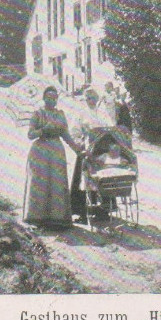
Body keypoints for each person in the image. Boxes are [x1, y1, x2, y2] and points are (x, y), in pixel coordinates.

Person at [23, 86, 80, 228]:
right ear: (43, 98)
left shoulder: (60, 115)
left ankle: (57, 218)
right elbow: (30, 134)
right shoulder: (38, 114)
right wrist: (43, 130)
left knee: (57, 182)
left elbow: (65, 134)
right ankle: (37, 218)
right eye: (49, 97)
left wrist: (77, 149)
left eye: (54, 98)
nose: (52, 100)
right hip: (40, 152)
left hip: (56, 152)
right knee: (40, 183)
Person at [69, 88, 113, 223]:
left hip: (101, 151)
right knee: (84, 179)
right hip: (87, 150)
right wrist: (80, 142)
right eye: (88, 98)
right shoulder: (81, 113)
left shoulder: (103, 113)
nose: (90, 100)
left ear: (97, 99)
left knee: (103, 178)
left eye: (93, 97)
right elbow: (74, 131)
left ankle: (104, 210)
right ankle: (82, 212)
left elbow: (111, 128)